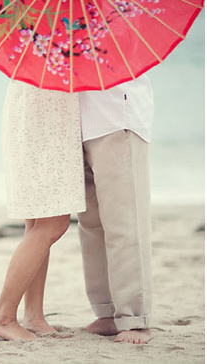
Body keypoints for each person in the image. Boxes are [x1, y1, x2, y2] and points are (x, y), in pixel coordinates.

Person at [0, 80, 86, 341]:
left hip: (32, 115)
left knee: (39, 222)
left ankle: (33, 316)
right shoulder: (51, 41)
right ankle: (3, 315)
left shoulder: (31, 45)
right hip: (45, 121)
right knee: (53, 223)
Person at [77, 74, 154, 344]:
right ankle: (107, 310)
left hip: (117, 117)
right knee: (91, 225)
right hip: (79, 122)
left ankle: (135, 317)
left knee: (125, 222)